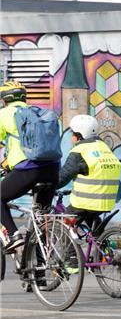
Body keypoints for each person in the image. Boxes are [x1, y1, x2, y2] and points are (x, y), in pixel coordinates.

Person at [0, 81, 60, 253]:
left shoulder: (4, 114)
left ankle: (14, 236)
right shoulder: (39, 112)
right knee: (41, 222)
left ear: (4, 99)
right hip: (52, 170)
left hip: (28, 169)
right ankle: (39, 274)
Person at [57, 115, 121, 221]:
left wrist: (48, 187)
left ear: (79, 136)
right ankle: (100, 237)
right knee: (92, 227)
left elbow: (63, 177)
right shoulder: (103, 147)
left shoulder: (80, 151)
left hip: (86, 202)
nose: (71, 138)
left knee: (61, 226)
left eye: (72, 134)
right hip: (107, 201)